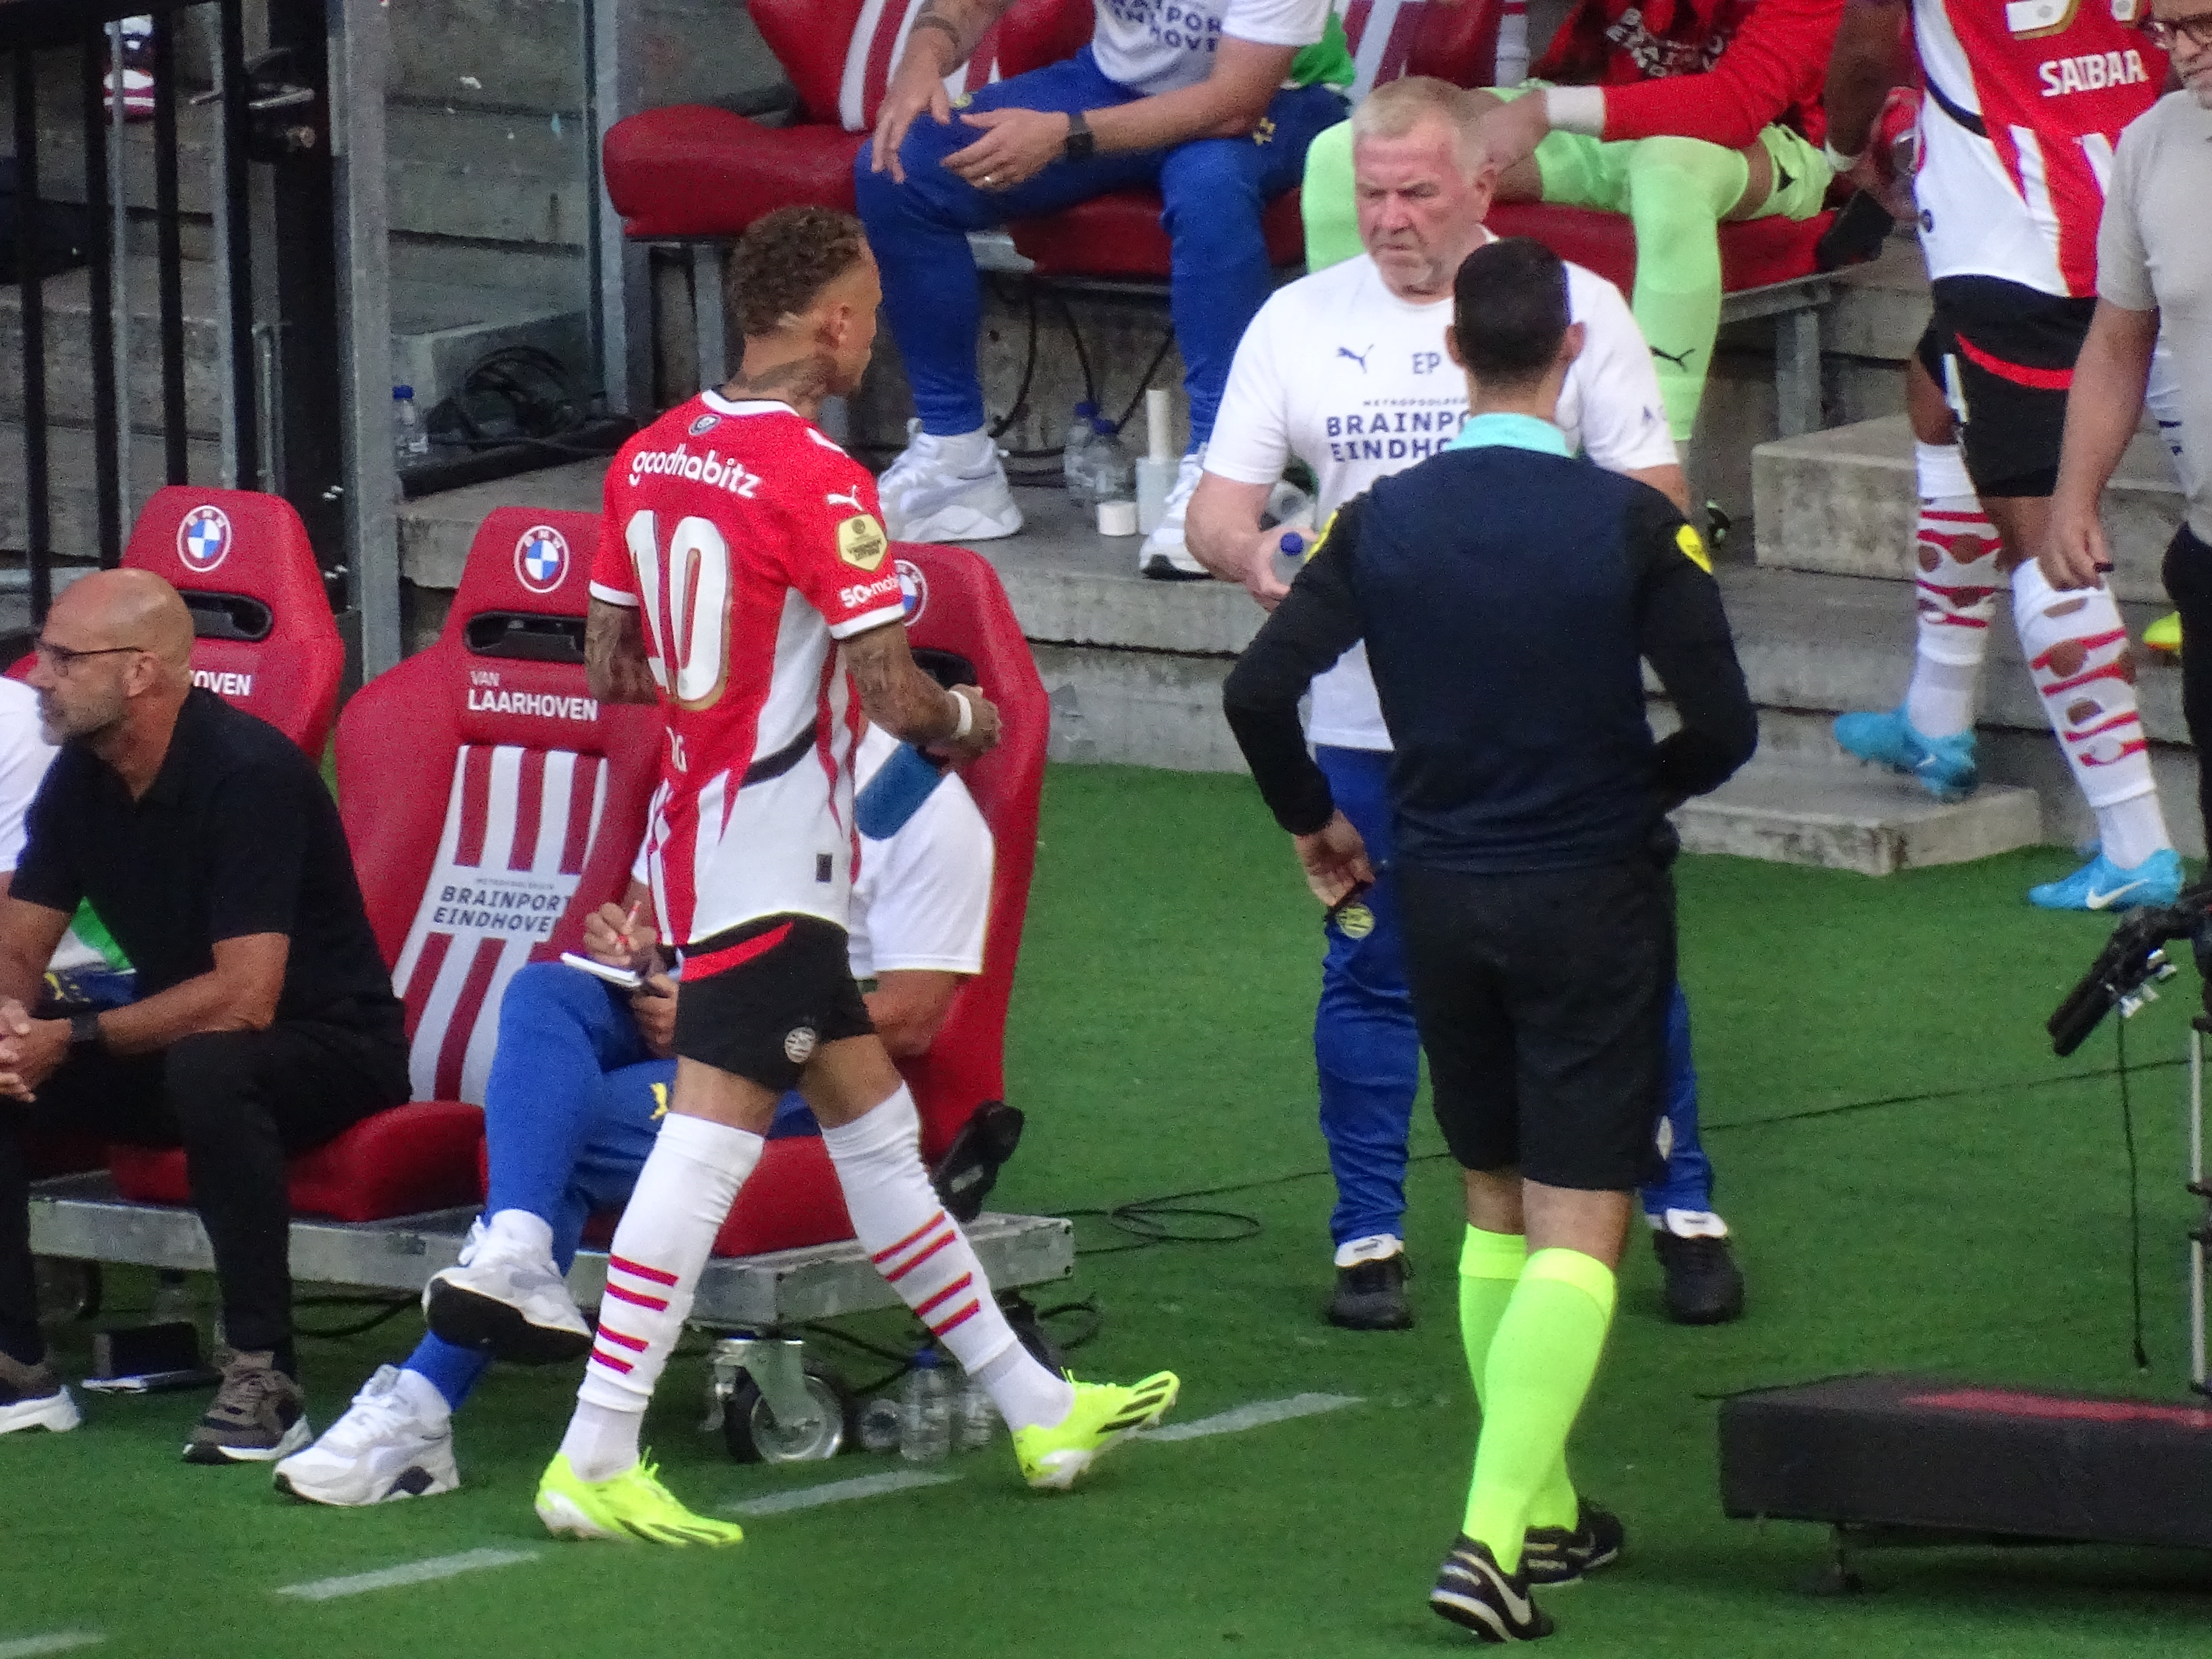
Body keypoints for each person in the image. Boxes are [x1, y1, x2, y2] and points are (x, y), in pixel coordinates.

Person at [532, 205, 1177, 1547]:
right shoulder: (824, 480)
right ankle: (595, 1449)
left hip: (719, 844)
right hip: (777, 857)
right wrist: (971, 724)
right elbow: (896, 692)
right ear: (831, 323)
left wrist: (723, 708)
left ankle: (1034, 1403)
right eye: (872, 310)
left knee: (880, 1144)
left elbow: (609, 665)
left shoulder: (650, 456)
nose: (874, 330)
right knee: (705, 1147)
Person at [1223, 237, 1757, 1639]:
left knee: (1492, 1199)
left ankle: (1548, 1509)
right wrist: (1642, 783)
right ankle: (1483, 1538)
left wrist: (1312, 825)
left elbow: (1256, 691)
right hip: (1590, 891)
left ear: (1453, 353)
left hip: (1437, 889)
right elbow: (1727, 726)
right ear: (1571, 353)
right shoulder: (1632, 526)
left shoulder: (1381, 522)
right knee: (1588, 1215)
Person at [1186, 76, 1747, 1330]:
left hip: (1548, 719)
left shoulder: (1570, 309)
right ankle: (1368, 1234)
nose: (1389, 219)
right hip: (1367, 723)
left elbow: (1652, 499)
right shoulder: (1297, 321)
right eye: (1370, 193)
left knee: (1624, 977)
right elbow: (1217, 509)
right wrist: (1259, 555)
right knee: (1371, 973)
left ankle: (1686, 1208)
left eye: (1415, 193)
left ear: (1480, 184)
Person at [273, 722, 996, 1505]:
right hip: (693, 1022)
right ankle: (511, 1250)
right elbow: (660, 929)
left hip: (808, 1073)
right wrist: (631, 947)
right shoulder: (707, 765)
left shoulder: (923, 811)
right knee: (547, 990)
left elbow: (915, 1015)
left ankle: (421, 1404)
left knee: (564, 1136)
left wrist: (722, 1013)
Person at [0, 571, 409, 1459]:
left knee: (210, 1062)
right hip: (183, 1039)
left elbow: (244, 995)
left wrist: (66, 1038)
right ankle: (17, 1365)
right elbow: (21, 943)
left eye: (65, 658)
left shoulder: (251, 773)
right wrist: (10, 1028)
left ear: (141, 672)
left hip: (332, 1047)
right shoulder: (83, 776)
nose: (39, 675)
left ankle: (268, 1375)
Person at [1822, 0, 2189, 911]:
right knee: (1932, 388)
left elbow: (1869, 43)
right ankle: (1936, 714)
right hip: (2156, 187)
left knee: (2043, 530)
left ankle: (2136, 844)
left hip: (2023, 242)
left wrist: (1841, 154)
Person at [853, 0, 1352, 576]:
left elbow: (1235, 105)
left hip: (1278, 101)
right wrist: (922, 62)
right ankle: (956, 461)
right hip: (1112, 83)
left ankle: (1229, 474)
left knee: (1211, 188)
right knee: (899, 167)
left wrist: (1066, 136)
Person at [1299, 0, 1841, 445]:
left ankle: (1646, 477)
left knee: (1669, 174)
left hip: (1761, 144)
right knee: (1347, 153)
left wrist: (1543, 111)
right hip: (1596, 120)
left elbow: (1734, 106)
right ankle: (1365, 438)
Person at [2040, 4, 2212, 855]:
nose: (2182, 51)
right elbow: (2116, 343)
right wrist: (2075, 494)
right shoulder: (2151, 145)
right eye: (2166, 28)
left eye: (2205, 25)